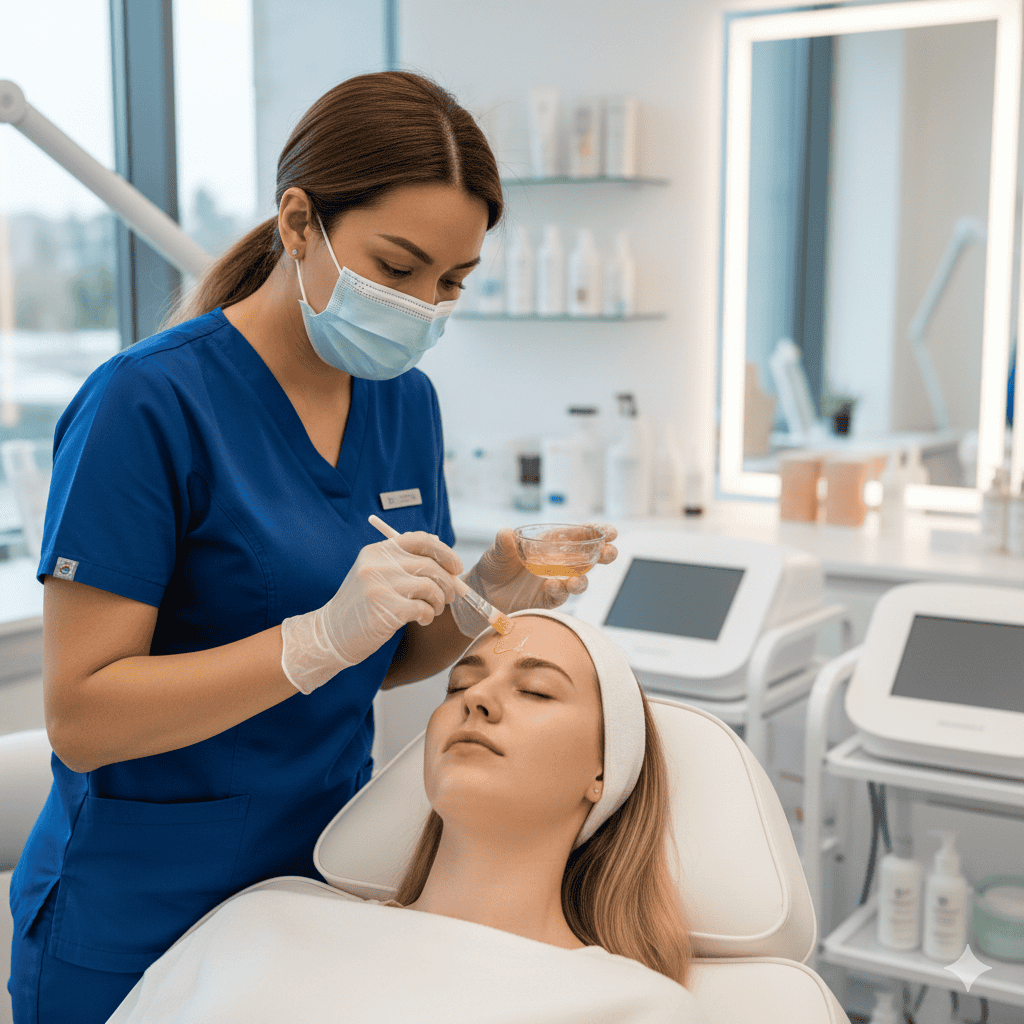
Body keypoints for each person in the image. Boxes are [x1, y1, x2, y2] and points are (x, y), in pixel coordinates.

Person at [7, 72, 616, 1024]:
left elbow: (381, 659)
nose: (424, 306)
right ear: (299, 223)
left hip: (318, 878)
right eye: (398, 267)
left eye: (452, 282)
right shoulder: (145, 403)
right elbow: (83, 717)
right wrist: (313, 639)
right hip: (138, 902)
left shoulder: (403, 402)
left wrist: (488, 593)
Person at [105, 611, 707, 1024]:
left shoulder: (634, 1007)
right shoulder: (259, 922)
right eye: (458, 685)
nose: (477, 698)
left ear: (604, 770)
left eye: (537, 691)